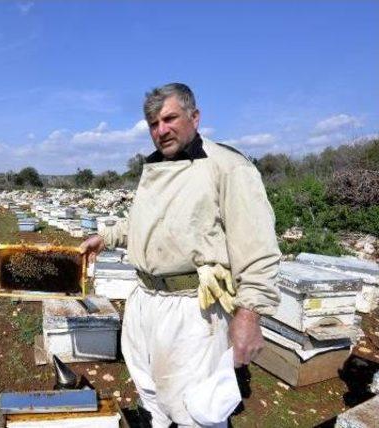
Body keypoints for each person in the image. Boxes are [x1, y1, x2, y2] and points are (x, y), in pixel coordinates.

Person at [80, 83, 281, 427]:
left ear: (195, 117)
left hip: (193, 308)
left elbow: (258, 247)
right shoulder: (155, 166)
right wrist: (107, 236)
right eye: (154, 124)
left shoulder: (228, 167)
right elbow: (145, 222)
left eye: (170, 119)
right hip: (144, 299)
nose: (161, 130)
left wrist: (250, 315)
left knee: (194, 409)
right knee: (150, 391)